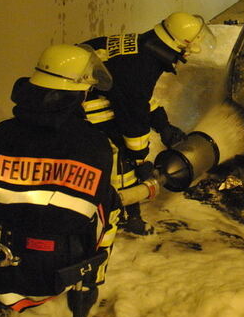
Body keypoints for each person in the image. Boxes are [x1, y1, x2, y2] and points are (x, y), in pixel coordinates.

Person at [0, 44, 121, 317]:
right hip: (62, 267)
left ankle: (3, 305)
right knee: (112, 206)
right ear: (80, 93)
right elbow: (94, 204)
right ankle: (87, 286)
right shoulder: (94, 143)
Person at [81, 13, 215, 235]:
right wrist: (140, 159)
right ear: (180, 45)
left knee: (127, 141)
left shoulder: (141, 47)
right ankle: (121, 215)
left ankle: (125, 211)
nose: (191, 52)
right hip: (82, 107)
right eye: (190, 46)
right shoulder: (141, 65)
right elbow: (132, 116)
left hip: (82, 95)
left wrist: (163, 125)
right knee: (122, 158)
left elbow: (137, 97)